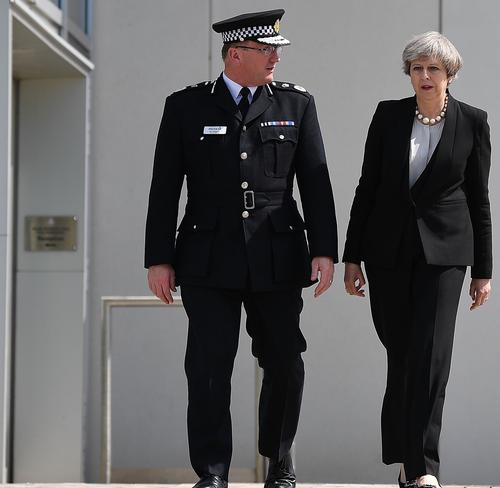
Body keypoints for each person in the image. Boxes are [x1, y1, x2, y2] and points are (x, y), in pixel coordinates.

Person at [144, 9, 338, 488]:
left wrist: (325, 248)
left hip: (277, 254)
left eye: (277, 50)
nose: (276, 57)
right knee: (208, 367)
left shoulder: (297, 105)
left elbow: (315, 182)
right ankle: (212, 472)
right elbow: (164, 187)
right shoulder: (186, 107)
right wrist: (158, 257)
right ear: (236, 54)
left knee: (286, 361)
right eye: (266, 50)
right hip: (208, 258)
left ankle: (280, 460)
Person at [343, 31, 492, 488]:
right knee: (402, 354)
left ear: (450, 74)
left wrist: (484, 271)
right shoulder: (388, 116)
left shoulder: (472, 122)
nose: (424, 76)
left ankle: (424, 466)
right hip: (386, 253)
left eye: (433, 68)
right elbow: (366, 187)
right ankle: (407, 459)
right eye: (416, 68)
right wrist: (352, 257)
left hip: (445, 254)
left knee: (432, 358)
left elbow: (479, 199)